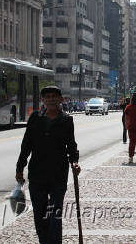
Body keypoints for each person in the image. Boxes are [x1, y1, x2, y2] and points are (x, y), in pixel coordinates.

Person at [15, 86, 80, 244]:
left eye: (54, 97)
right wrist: (20, 168)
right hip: (37, 172)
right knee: (40, 212)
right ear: (43, 100)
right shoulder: (35, 118)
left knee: (55, 212)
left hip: (58, 172)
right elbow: (26, 145)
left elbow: (71, 145)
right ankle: (44, 241)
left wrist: (75, 162)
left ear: (60, 100)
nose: (51, 99)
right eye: (47, 97)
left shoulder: (66, 120)